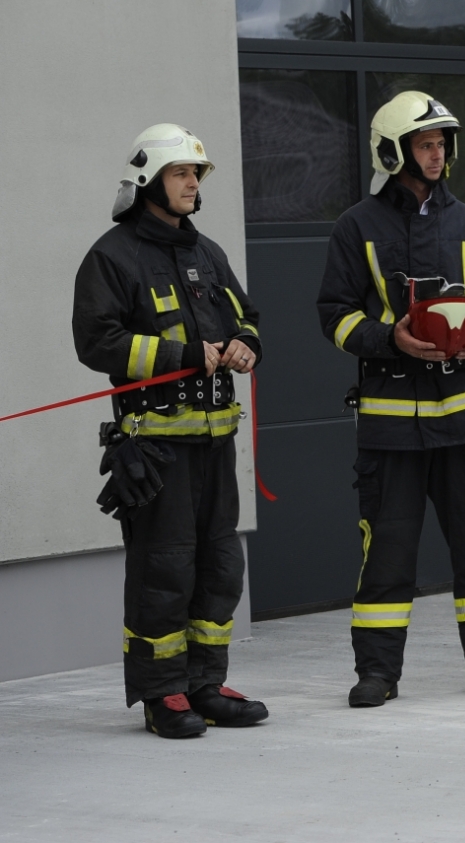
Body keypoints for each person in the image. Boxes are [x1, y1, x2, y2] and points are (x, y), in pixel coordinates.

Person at [317, 90, 465, 707]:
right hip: (390, 426)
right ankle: (377, 674)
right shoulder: (356, 227)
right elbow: (333, 316)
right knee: (385, 556)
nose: (437, 154)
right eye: (425, 144)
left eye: (441, 144)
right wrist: (391, 340)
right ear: (393, 151)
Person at [73, 124, 268, 738]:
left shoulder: (207, 253)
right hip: (155, 450)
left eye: (196, 174)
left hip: (215, 447)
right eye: (181, 173)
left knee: (218, 567)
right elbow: (96, 341)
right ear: (149, 180)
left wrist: (245, 347)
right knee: (164, 570)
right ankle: (163, 695)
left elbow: (248, 317)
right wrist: (181, 355)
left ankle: (205, 684)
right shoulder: (114, 255)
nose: (192, 183)